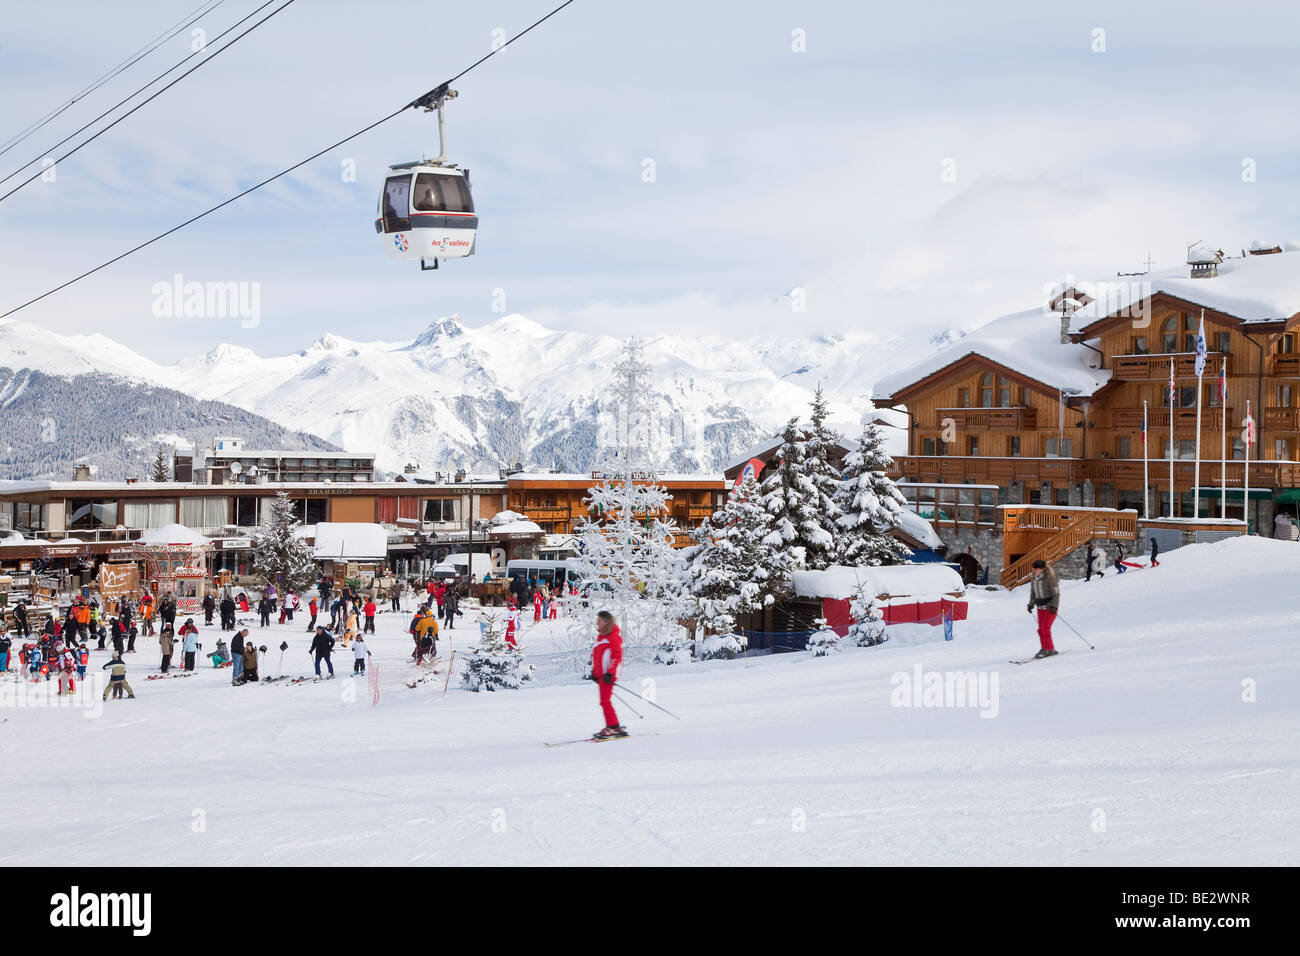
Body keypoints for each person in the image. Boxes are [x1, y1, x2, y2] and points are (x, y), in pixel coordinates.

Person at [590, 610, 626, 739]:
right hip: (602, 675)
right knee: (604, 701)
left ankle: (613, 727)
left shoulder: (613, 636)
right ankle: (613, 726)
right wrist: (594, 672)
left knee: (605, 701)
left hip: (608, 675)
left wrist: (610, 673)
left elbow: (617, 656)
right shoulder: (601, 637)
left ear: (606, 622)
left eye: (599, 621)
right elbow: (596, 656)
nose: (597, 623)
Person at [1025, 559, 1060, 660]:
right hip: (1040, 608)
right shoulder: (1033, 578)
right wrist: (1031, 604)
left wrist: (1054, 606)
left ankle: (1048, 649)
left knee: (1045, 628)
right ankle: (1046, 648)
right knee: (1040, 629)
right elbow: (1033, 592)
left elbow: (1056, 594)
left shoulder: (1050, 578)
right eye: (1033, 568)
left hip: (1050, 607)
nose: (1034, 570)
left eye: (1036, 569)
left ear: (1042, 569)